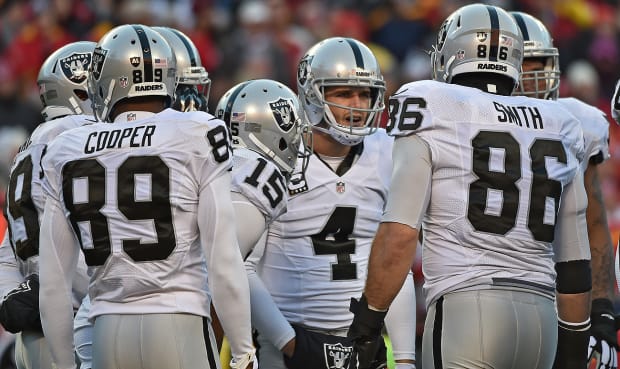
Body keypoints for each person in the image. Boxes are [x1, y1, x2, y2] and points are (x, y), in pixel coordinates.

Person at [347, 4, 592, 369]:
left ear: (453, 53)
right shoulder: (561, 123)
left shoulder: (433, 103)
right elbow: (574, 263)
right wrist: (573, 351)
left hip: (467, 310)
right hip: (542, 322)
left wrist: (365, 326)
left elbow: (399, 234)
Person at [37, 24, 254, 369]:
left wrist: (63, 364)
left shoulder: (67, 148)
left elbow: (52, 286)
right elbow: (223, 261)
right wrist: (243, 350)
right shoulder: (196, 130)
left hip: (107, 329)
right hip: (177, 324)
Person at [245, 36, 417, 369]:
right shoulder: (276, 154)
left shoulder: (388, 151)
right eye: (342, 92)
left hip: (362, 340)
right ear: (311, 96)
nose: (357, 104)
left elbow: (397, 264)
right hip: (287, 336)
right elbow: (239, 265)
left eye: (365, 93)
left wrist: (407, 358)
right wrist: (289, 342)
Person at [71, 25, 215, 369]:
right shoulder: (201, 137)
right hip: (177, 319)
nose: (193, 100)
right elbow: (228, 263)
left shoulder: (82, 145)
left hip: (103, 318)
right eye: (187, 89)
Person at [510, 11, 618, 369]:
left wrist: (602, 310)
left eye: (537, 63)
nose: (530, 75)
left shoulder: (577, 122)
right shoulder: (456, 120)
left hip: (563, 296)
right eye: (520, 64)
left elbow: (593, 222)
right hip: (483, 285)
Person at [0, 40, 96, 369]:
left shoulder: (30, 145)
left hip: (32, 330)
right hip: (75, 323)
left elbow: (7, 251)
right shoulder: (83, 140)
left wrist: (14, 295)